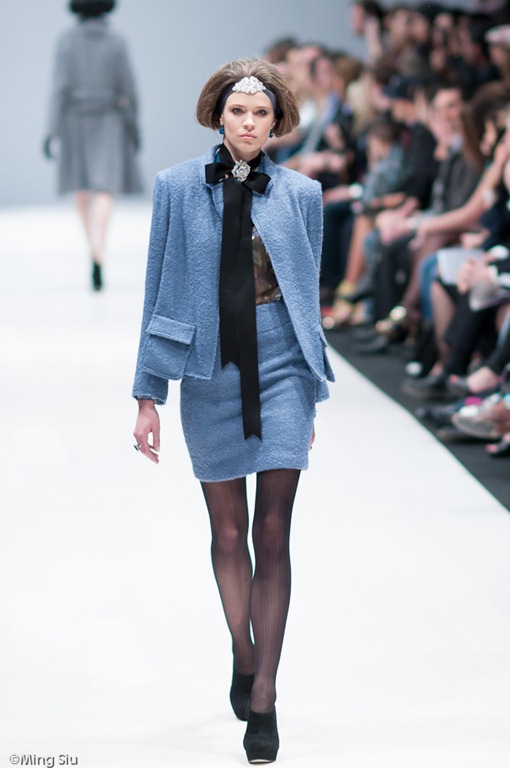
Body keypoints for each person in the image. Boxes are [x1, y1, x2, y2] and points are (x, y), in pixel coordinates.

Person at [131, 58, 334, 764]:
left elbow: (308, 298)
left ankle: (265, 694)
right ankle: (242, 653)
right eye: (238, 110)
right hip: (207, 366)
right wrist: (147, 393)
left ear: (277, 122)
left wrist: (311, 391)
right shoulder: (175, 187)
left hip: (281, 364)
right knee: (227, 532)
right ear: (218, 114)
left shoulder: (304, 195)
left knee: (273, 531)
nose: (248, 122)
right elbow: (157, 287)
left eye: (261, 113)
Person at [43, 0, 142, 290]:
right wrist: (133, 127)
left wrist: (51, 131)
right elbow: (129, 89)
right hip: (110, 119)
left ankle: (94, 251)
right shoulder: (117, 42)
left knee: (82, 189)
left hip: (75, 119)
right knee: (104, 189)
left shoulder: (66, 41)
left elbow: (59, 89)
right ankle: (99, 250)